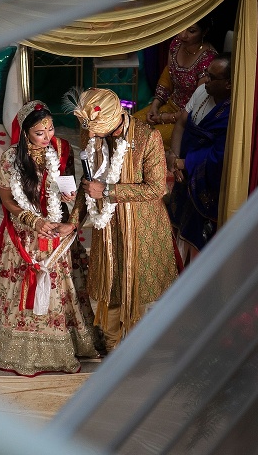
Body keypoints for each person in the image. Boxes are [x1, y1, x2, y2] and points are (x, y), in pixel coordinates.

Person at [0, 100, 98, 376]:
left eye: (51, 129)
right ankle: (20, 340)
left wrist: (68, 197)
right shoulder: (10, 158)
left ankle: (66, 338)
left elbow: (66, 182)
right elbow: (8, 200)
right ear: (24, 134)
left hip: (56, 220)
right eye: (40, 132)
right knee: (26, 272)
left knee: (61, 274)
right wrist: (34, 221)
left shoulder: (61, 148)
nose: (48, 137)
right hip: (25, 223)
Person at [66, 88, 178, 353]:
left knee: (136, 287)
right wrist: (73, 223)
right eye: (89, 130)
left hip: (141, 225)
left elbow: (156, 189)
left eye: (96, 130)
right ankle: (113, 345)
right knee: (111, 283)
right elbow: (88, 184)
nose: (90, 136)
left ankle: (136, 350)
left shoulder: (147, 137)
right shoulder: (90, 133)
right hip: (107, 226)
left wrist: (108, 191)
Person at [166, 55, 232, 264]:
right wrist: (174, 157)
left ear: (229, 84)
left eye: (212, 77)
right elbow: (181, 124)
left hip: (204, 177)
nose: (205, 80)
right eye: (206, 74)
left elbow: (220, 154)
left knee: (197, 231)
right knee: (176, 217)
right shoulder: (202, 91)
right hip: (182, 167)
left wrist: (185, 164)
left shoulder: (233, 110)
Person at [133, 19, 218, 149]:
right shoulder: (176, 44)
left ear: (204, 31)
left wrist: (163, 118)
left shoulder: (209, 59)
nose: (183, 35)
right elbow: (167, 77)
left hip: (187, 120)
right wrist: (155, 106)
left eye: (191, 31)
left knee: (144, 137)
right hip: (170, 105)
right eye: (182, 27)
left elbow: (197, 106)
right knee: (130, 125)